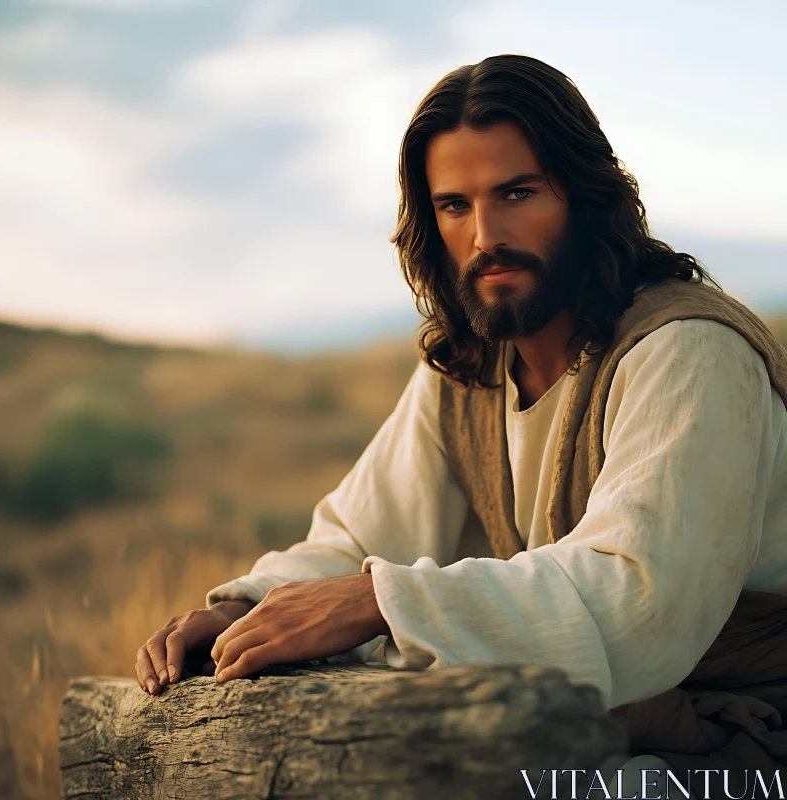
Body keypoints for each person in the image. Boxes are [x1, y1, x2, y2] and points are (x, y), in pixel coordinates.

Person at [136, 55, 787, 795]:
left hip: (744, 740)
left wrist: (380, 600)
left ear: (583, 195)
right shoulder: (467, 371)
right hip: (595, 729)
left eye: (517, 193)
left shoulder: (689, 349)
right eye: (454, 205)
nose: (485, 235)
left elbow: (637, 599)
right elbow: (356, 537)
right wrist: (243, 608)